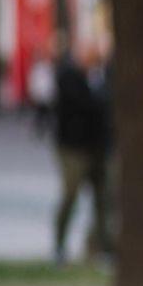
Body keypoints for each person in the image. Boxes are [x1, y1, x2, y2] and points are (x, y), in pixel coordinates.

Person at [52, 45, 112, 264]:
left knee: (104, 198)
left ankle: (101, 248)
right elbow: (84, 106)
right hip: (73, 147)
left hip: (98, 147)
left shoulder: (103, 76)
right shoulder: (68, 77)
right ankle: (59, 246)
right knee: (71, 194)